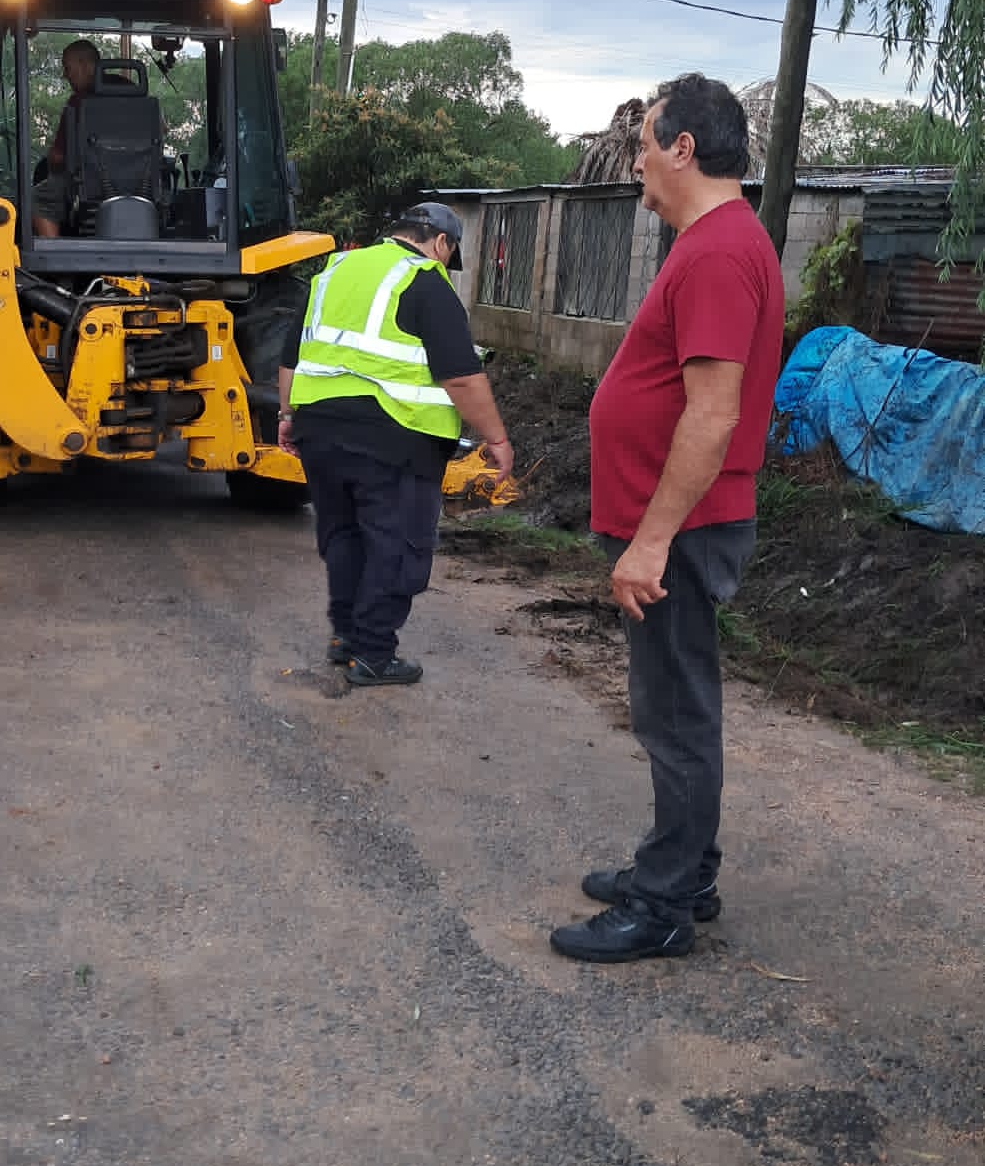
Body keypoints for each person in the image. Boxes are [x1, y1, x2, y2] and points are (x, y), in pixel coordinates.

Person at [550, 73, 785, 963]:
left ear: (684, 147)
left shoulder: (721, 251)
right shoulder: (712, 242)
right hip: (674, 523)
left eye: (645, 142)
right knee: (681, 704)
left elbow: (713, 413)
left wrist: (650, 540)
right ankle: (684, 869)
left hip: (680, 530)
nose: (638, 160)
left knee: (675, 716)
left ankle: (664, 907)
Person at [277, 203, 515, 687]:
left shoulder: (334, 271)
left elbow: (290, 356)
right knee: (394, 544)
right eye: (449, 256)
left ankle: (346, 637)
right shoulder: (426, 279)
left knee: (343, 536)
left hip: (319, 431)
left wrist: (287, 416)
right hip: (394, 439)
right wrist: (497, 438)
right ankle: (373, 654)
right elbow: (461, 378)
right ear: (441, 243)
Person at [31, 40, 101, 239]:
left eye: (67, 68)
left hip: (86, 184)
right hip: (140, 185)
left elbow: (58, 157)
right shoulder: (131, 90)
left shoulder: (78, 102)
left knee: (36, 199)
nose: (65, 74)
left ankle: (51, 260)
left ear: (86, 66)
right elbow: (161, 129)